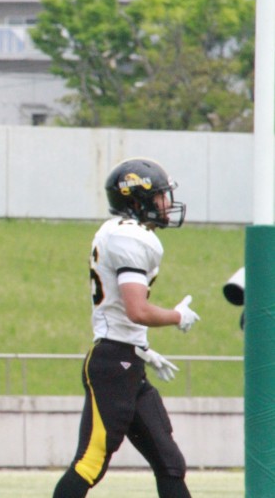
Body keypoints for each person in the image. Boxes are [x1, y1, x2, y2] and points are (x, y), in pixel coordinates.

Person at [53, 157, 201, 498]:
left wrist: (142, 348)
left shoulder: (118, 232)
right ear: (138, 201)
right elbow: (136, 309)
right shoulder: (131, 237)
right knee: (90, 463)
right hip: (114, 363)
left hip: (127, 359)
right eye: (160, 195)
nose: (166, 203)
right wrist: (176, 316)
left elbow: (123, 312)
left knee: (169, 461)